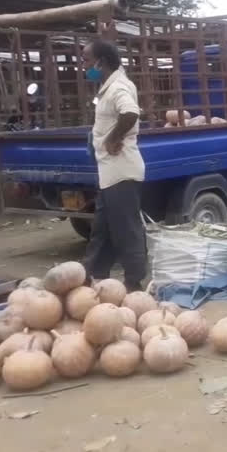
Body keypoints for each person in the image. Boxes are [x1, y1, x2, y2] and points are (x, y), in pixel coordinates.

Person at [81, 40, 146, 291]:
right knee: (102, 229)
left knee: (126, 230)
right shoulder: (108, 87)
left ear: (101, 62)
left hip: (122, 171)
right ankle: (92, 277)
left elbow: (130, 113)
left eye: (87, 60)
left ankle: (134, 283)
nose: (84, 65)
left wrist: (113, 137)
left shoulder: (118, 87)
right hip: (110, 172)